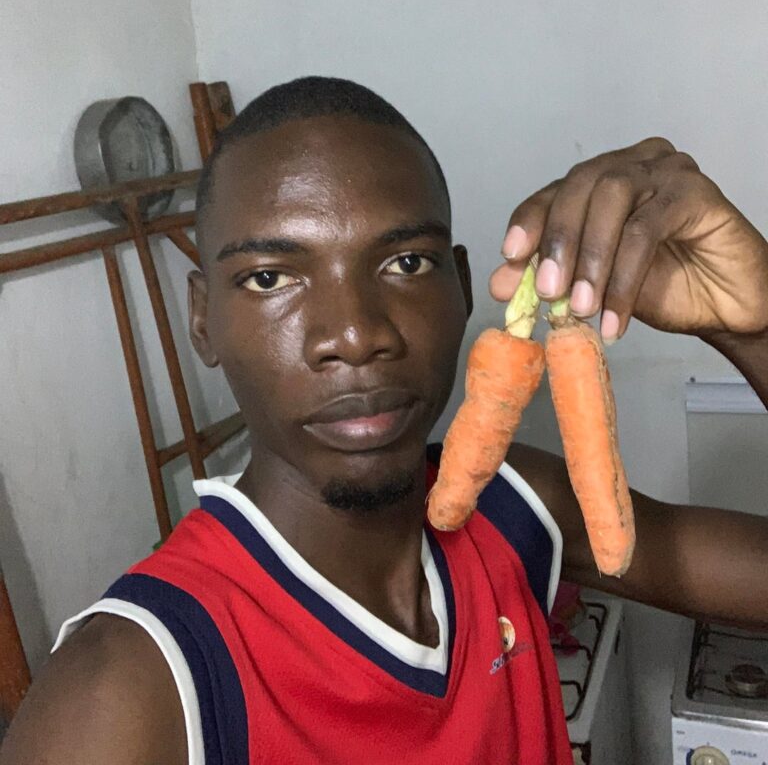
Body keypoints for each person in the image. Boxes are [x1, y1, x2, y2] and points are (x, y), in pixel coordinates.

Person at [2, 77, 767, 765]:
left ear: (465, 289)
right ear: (203, 321)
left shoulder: (514, 507)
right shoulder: (132, 690)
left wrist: (753, 327)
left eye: (406, 264)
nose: (357, 332)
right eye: (270, 277)